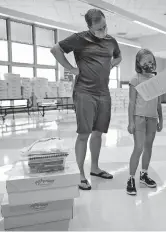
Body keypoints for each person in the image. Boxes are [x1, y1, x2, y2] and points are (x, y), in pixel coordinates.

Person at [51, 9, 122, 190]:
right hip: (84, 91)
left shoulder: (111, 40)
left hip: (103, 92)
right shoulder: (79, 39)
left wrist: (112, 64)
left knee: (98, 132)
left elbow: (118, 56)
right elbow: (55, 49)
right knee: (84, 133)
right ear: (89, 27)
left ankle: (95, 168)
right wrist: (71, 68)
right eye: (99, 28)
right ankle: (80, 174)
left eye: (104, 26)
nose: (103, 30)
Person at [126, 49, 163, 196]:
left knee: (148, 147)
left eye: (151, 61)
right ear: (138, 63)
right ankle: (130, 178)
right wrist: (130, 122)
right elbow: (131, 102)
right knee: (139, 147)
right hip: (139, 117)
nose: (149, 64)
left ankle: (144, 175)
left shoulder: (156, 80)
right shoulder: (135, 80)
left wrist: (161, 119)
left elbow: (159, 102)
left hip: (152, 118)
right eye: (145, 61)